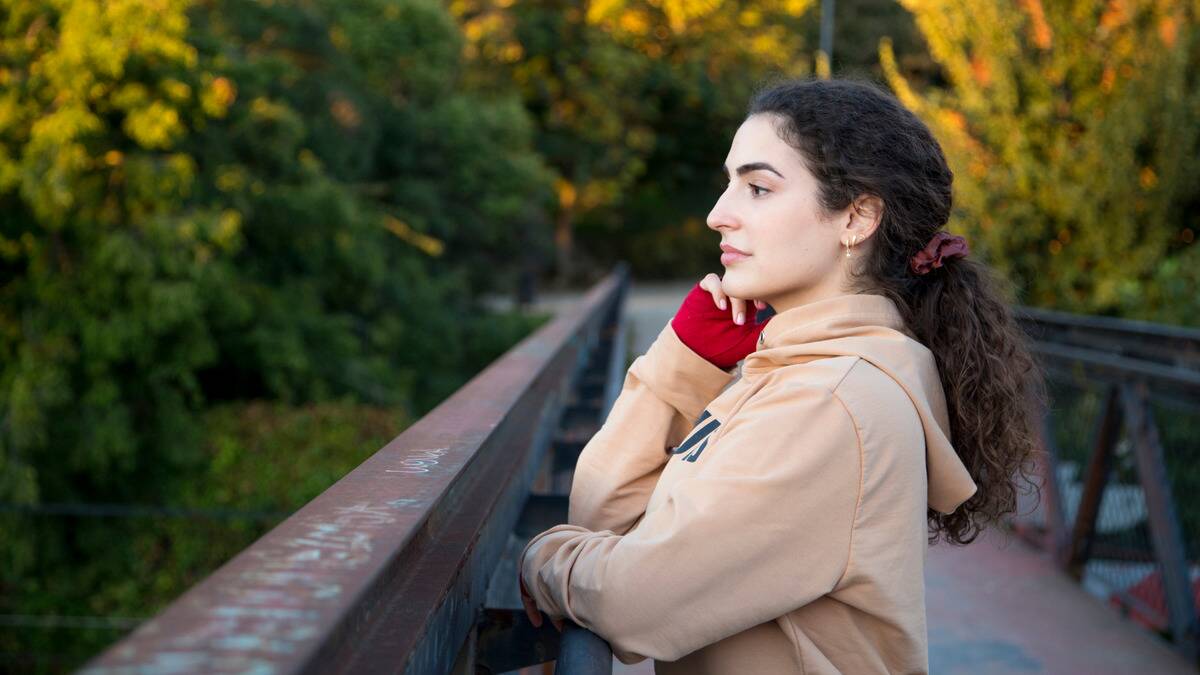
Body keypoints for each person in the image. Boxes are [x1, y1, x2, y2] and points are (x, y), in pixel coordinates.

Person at [517, 77, 1046, 674]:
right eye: (728, 184)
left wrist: (541, 558)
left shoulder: (832, 403)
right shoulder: (787, 373)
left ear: (858, 216)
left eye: (758, 188)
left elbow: (627, 602)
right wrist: (683, 362)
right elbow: (608, 523)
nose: (719, 215)